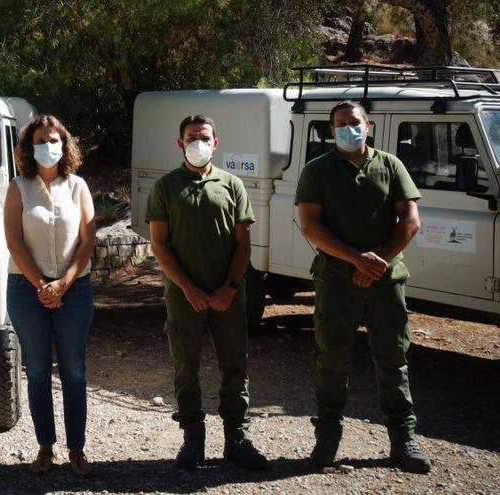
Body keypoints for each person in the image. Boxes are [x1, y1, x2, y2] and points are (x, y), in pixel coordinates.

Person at [295, 100, 431, 473]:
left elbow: (411, 219)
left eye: (353, 122)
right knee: (332, 359)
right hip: (336, 282)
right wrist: (356, 259)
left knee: (392, 359)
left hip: (386, 282)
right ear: (330, 130)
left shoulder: (391, 165)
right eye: (340, 123)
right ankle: (327, 438)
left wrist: (379, 261)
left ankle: (403, 439)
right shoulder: (316, 170)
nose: (347, 128)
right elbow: (310, 225)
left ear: (367, 125)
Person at [145, 115, 267, 470]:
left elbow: (243, 244)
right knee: (186, 368)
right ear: (180, 143)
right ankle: (192, 441)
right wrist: (189, 289)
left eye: (204, 136)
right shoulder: (166, 187)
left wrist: (229, 287)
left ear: (216, 142)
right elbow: (159, 245)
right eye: (190, 136)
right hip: (184, 298)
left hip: (229, 296)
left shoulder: (232, 185)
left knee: (235, 367)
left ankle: (237, 439)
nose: (198, 141)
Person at [4, 114, 96, 476]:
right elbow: (13, 240)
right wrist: (42, 284)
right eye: (40, 141)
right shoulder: (18, 187)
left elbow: (88, 241)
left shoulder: (78, 187)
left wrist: (64, 283)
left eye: (53, 140)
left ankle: (77, 450)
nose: (47, 147)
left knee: (74, 372)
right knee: (38, 371)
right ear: (30, 147)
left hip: (74, 291)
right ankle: (45, 447)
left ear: (64, 144)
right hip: (27, 292)